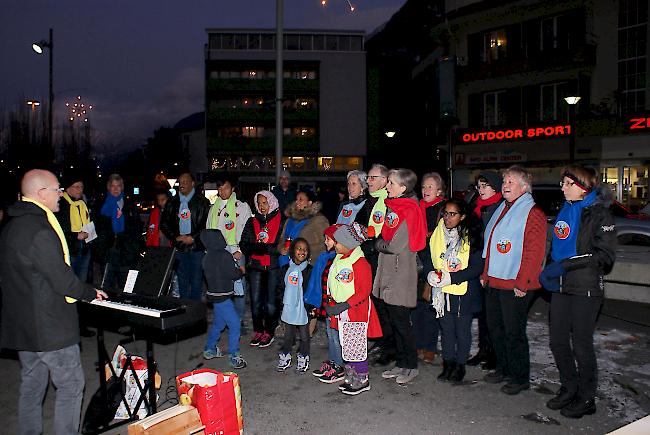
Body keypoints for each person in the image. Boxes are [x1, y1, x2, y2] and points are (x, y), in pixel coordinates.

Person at [0, 169, 107, 435]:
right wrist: (90, 292)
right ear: (41, 193)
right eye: (57, 189)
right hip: (50, 328)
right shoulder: (39, 230)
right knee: (70, 386)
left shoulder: (11, 226)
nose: (61, 194)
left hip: (24, 327)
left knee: (32, 387)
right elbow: (61, 279)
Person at [540, 166, 616, 418]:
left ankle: (586, 397)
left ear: (582, 186)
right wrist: (550, 268)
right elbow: (558, 246)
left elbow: (604, 256)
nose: (562, 188)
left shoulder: (600, 214)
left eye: (567, 184)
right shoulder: (567, 209)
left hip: (585, 287)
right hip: (562, 285)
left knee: (581, 346)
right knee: (557, 341)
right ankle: (569, 388)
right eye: (562, 183)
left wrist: (566, 265)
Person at [481, 165, 546, 395]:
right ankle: (503, 368)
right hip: (495, 281)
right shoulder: (503, 208)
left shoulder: (532, 212)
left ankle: (519, 377)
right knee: (496, 329)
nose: (505, 186)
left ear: (524, 186)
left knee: (513, 332)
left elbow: (534, 251)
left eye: (510, 182)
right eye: (504, 181)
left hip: (515, 285)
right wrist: (486, 273)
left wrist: (524, 282)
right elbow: (491, 244)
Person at [374, 168, 427, 385]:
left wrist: (378, 244)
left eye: (391, 184)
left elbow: (394, 245)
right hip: (390, 272)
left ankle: (411, 365)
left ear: (403, 188)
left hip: (400, 274)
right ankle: (400, 363)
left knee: (402, 323)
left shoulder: (409, 210)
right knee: (394, 322)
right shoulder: (395, 208)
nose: (387, 186)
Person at [427, 199, 484, 383]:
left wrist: (452, 278)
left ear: (463, 216)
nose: (447, 218)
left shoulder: (471, 236)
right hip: (442, 291)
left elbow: (476, 267)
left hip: (463, 291)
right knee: (446, 330)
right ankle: (448, 363)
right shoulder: (438, 233)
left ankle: (460, 365)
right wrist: (430, 274)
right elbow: (430, 257)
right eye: (445, 213)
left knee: (462, 331)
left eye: (453, 214)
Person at [324, 223, 382, 395]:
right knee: (346, 344)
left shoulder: (360, 263)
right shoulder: (340, 258)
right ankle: (351, 375)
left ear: (349, 243)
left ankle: (362, 378)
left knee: (355, 346)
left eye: (338, 242)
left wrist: (344, 305)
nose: (335, 244)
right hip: (342, 310)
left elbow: (364, 290)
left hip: (355, 311)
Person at [467, 171, 503, 369]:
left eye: (485, 186)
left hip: (491, 264)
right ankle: (483, 349)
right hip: (476, 261)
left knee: (492, 314)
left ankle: (494, 353)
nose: (480, 190)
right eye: (478, 186)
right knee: (481, 312)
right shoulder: (477, 206)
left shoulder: (499, 207)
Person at [240, 190, 284, 348]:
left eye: (264, 203)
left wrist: (265, 249)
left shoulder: (281, 220)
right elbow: (244, 244)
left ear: (271, 202)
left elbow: (282, 246)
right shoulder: (252, 222)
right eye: (259, 203)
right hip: (256, 267)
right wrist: (260, 248)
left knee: (272, 302)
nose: (261, 206)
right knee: (256, 301)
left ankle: (269, 331)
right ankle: (258, 329)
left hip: (273, 266)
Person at [55, 171, 96, 337]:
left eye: (81, 187)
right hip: (70, 251)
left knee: (81, 288)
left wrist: (89, 237)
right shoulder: (61, 205)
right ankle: (67, 326)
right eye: (76, 187)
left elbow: (88, 223)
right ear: (68, 189)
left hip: (84, 249)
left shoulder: (82, 204)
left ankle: (81, 325)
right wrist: (75, 236)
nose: (80, 190)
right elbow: (57, 230)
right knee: (68, 289)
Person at [412, 172, 446, 364]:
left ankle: (430, 347)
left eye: (430, 187)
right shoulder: (417, 208)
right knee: (415, 305)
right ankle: (417, 343)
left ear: (439, 190)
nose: (426, 190)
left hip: (433, 263)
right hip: (416, 261)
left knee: (430, 306)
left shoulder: (443, 209)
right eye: (424, 187)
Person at [201, 228, 247, 369]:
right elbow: (232, 274)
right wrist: (241, 270)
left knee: (219, 324)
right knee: (234, 324)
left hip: (214, 296)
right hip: (224, 297)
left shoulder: (206, 257)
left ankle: (210, 348)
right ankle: (234, 355)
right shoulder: (225, 255)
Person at [361, 164, 393, 366]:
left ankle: (391, 347)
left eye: (373, 178)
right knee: (376, 303)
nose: (369, 181)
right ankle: (383, 341)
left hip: (381, 257)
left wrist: (369, 245)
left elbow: (385, 234)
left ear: (384, 180)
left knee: (384, 304)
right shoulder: (370, 201)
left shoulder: (387, 201)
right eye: (368, 178)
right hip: (370, 256)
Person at [207, 177, 252, 316]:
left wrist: (240, 250)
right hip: (218, 251)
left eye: (225, 188)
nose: (222, 191)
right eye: (219, 189)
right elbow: (208, 230)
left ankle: (238, 319)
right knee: (219, 285)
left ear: (232, 188)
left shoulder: (242, 206)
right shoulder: (214, 208)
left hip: (236, 249)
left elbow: (248, 230)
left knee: (238, 285)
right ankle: (222, 316)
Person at [160, 173, 210, 300]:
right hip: (179, 248)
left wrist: (193, 237)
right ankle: (184, 311)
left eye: (185, 182)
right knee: (182, 282)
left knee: (196, 281)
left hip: (196, 248)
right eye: (180, 182)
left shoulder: (203, 202)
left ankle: (195, 312)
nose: (182, 185)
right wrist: (175, 237)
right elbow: (164, 224)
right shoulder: (172, 202)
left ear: (193, 183)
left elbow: (207, 224)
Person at [94, 174, 144, 291]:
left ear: (122, 187)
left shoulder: (129, 206)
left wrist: (133, 249)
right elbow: (97, 228)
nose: (116, 189)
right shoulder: (101, 206)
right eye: (113, 186)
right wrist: (101, 249)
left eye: (118, 186)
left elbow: (136, 228)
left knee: (125, 287)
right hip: (108, 252)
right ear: (108, 187)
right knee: (106, 287)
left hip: (126, 252)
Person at [309, 224, 344, 383]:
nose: (325, 242)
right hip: (327, 303)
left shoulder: (339, 260)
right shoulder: (326, 257)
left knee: (336, 336)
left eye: (328, 239)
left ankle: (339, 366)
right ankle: (333, 360)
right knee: (330, 334)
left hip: (335, 305)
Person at [277, 238, 313, 372]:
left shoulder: (309, 270)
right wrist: (282, 303)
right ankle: (285, 354)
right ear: (292, 250)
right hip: (289, 308)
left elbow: (312, 288)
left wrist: (309, 306)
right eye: (299, 248)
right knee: (288, 335)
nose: (302, 251)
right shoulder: (286, 268)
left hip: (302, 309)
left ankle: (303, 356)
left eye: (305, 249)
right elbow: (280, 287)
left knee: (304, 336)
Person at [278, 189, 329, 266]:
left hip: (310, 265)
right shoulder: (290, 220)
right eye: (296, 199)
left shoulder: (318, 219)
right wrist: (281, 248)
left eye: (300, 200)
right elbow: (282, 239)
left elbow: (325, 244)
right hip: (287, 263)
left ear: (309, 202)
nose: (297, 202)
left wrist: (302, 250)